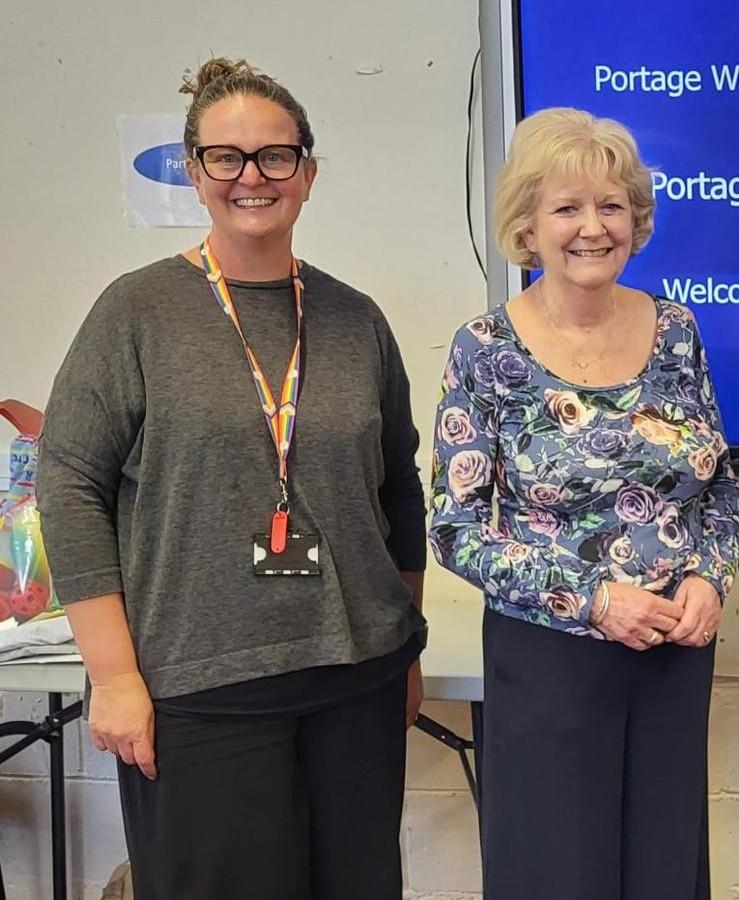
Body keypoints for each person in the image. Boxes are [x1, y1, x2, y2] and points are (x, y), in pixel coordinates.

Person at [37, 57, 426, 900]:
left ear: (309, 172)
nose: (253, 177)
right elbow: (68, 486)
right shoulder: (136, 313)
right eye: (227, 157)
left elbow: (398, 487)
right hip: (197, 689)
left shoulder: (356, 319)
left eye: (276, 156)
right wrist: (112, 678)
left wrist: (407, 646)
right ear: (194, 170)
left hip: (357, 679)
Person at [429, 107, 739, 900]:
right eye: (567, 207)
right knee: (557, 875)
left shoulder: (676, 330)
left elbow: (720, 488)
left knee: (665, 871)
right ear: (528, 228)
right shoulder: (486, 350)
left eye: (611, 206)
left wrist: (710, 577)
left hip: (673, 654)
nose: (592, 228)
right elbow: (456, 528)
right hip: (550, 660)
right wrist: (595, 601)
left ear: (636, 221)